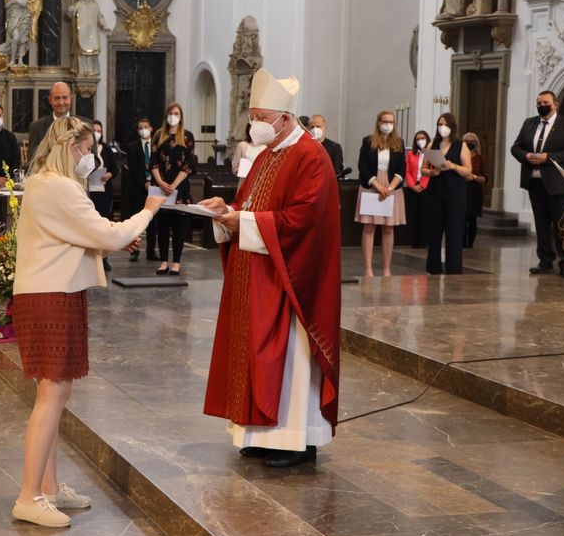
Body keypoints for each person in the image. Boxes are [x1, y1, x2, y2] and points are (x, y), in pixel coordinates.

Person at [11, 120, 165, 527]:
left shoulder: (47, 183)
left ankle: (49, 486)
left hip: (53, 291)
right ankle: (29, 495)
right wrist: (148, 212)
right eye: (87, 149)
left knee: (54, 395)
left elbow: (77, 236)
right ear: (70, 147)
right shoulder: (58, 186)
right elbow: (107, 235)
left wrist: (111, 237)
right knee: (52, 395)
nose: (91, 158)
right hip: (50, 296)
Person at [200, 68, 342, 469]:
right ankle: (262, 434)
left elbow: (303, 221)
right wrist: (226, 211)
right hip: (256, 274)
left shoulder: (312, 157)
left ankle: (295, 440)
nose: (255, 125)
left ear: (284, 118)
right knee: (255, 353)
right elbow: (253, 206)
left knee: (290, 359)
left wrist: (242, 222)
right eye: (252, 117)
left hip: (291, 280)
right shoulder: (266, 155)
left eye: (261, 117)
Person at [509, 90, 564, 278]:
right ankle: (545, 260)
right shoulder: (529, 123)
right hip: (534, 182)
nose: (542, 105)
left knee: (562, 225)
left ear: (555, 104)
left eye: (546, 103)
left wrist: (548, 158)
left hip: (558, 184)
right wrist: (526, 156)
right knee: (541, 224)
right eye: (539, 103)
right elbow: (515, 147)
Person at [355, 110, 406, 277]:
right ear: (378, 122)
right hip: (372, 185)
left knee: (388, 229)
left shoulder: (398, 143)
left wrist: (389, 188)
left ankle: (386, 269)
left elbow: (401, 169)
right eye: (385, 121)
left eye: (391, 122)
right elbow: (363, 166)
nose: (388, 125)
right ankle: (368, 268)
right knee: (369, 227)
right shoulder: (368, 141)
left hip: (392, 187)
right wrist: (377, 185)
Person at [421, 112, 472, 275]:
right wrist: (433, 172)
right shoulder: (431, 145)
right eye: (439, 124)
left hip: (455, 193)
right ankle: (433, 268)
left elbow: (468, 170)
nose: (442, 128)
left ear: (452, 127)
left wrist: (453, 166)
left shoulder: (460, 145)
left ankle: (454, 269)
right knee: (434, 231)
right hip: (435, 191)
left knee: (455, 232)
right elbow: (423, 170)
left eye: (445, 125)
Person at [151, 103, 196, 276]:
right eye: (170, 113)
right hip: (161, 187)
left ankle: (176, 262)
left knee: (178, 227)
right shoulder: (158, 136)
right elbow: (153, 162)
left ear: (181, 116)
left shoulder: (187, 136)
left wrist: (174, 185)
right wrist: (161, 182)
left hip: (180, 188)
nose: (173, 116)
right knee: (161, 227)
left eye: (176, 113)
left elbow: (189, 164)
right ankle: (163, 262)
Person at [122, 118, 158, 262]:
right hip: (138, 189)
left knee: (152, 221)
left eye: (145, 127)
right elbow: (134, 169)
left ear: (151, 128)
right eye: (140, 128)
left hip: (154, 188)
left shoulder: (157, 146)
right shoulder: (132, 147)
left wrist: (154, 183)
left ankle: (151, 251)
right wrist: (144, 183)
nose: (143, 130)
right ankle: (134, 251)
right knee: (136, 221)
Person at [88, 120, 119, 271]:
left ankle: (104, 257)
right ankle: (90, 257)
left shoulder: (106, 149)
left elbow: (115, 169)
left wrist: (109, 174)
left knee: (104, 224)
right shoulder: (86, 148)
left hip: (103, 191)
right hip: (88, 191)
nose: (96, 133)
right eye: (94, 130)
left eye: (99, 130)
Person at [27, 82, 85, 156]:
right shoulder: (36, 127)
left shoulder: (84, 124)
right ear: (50, 100)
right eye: (57, 98)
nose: (61, 102)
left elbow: (94, 160)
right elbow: (32, 161)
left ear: (71, 98)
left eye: (65, 97)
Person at [404, 130, 431, 249]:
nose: (420, 141)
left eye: (423, 138)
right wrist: (412, 185)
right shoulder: (410, 154)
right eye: (418, 139)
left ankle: (424, 241)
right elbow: (407, 171)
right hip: (413, 187)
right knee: (413, 214)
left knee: (424, 215)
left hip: (426, 188)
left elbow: (432, 171)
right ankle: (414, 241)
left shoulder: (432, 153)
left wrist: (423, 185)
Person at [463, 131, 488, 249]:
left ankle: (470, 245)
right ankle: (461, 243)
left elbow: (485, 178)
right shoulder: (459, 157)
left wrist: (474, 177)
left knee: (472, 219)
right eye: (467, 141)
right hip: (462, 189)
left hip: (474, 190)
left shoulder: (479, 158)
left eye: (472, 141)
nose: (469, 143)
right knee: (461, 218)